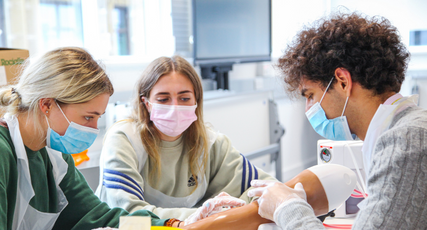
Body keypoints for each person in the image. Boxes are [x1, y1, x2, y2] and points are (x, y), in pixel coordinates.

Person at [248, 12, 427, 229]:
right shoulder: (402, 133)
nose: (309, 109)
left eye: (310, 96)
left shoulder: (406, 142)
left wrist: (287, 206)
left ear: (342, 82)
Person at [0, 47, 175, 230]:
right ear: (47, 104)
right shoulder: (4, 152)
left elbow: (101, 218)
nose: (93, 129)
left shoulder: (55, 155)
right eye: (88, 117)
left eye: (98, 118)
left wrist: (169, 224)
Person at [95, 56, 277, 225]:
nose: (175, 107)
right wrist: (199, 218)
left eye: (184, 98)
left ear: (196, 102)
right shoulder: (125, 140)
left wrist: (225, 214)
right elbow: (127, 218)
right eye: (163, 99)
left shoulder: (211, 143)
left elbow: (269, 189)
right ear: (146, 103)